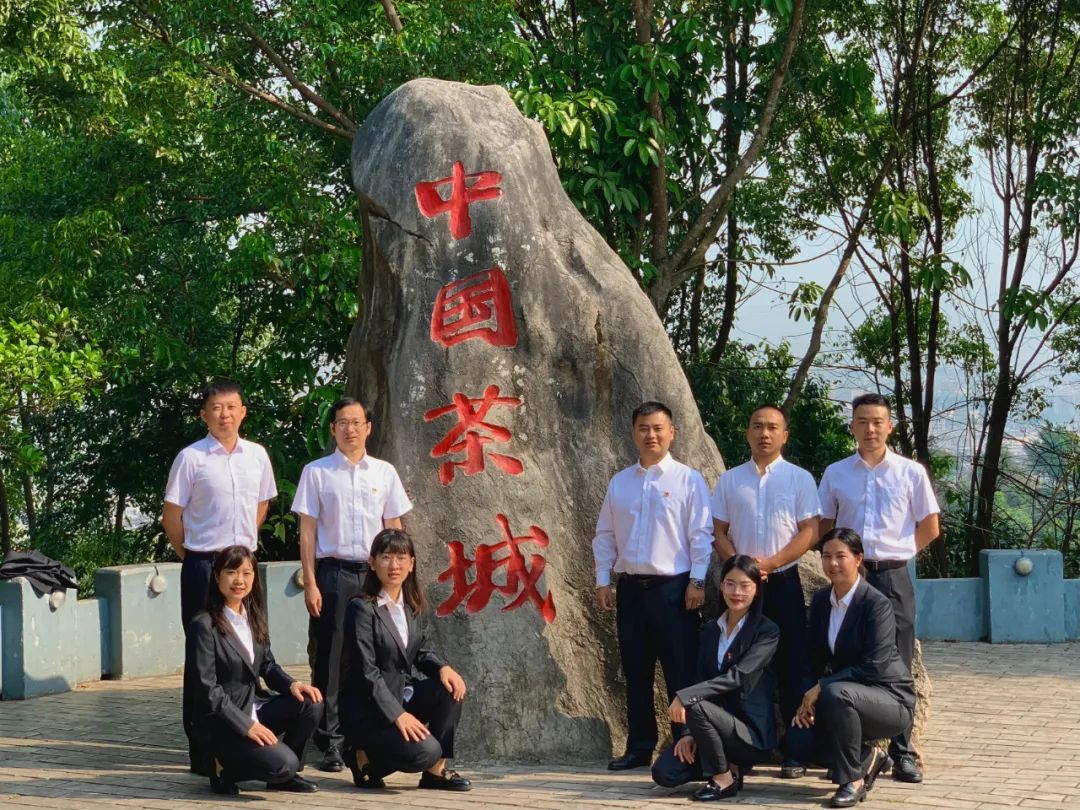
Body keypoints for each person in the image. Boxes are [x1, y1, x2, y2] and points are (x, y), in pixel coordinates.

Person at [818, 393, 940, 783]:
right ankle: (851, 749)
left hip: (892, 576)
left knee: (898, 662)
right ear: (851, 426)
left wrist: (900, 553)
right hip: (850, 576)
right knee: (845, 654)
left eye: (877, 422)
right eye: (862, 421)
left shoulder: (910, 472)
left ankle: (903, 752)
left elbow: (930, 526)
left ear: (890, 426)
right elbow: (824, 526)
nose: (870, 429)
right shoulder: (836, 473)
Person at [291, 396, 413, 772]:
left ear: (368, 428)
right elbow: (307, 532)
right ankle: (329, 739)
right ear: (333, 429)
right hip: (333, 573)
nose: (350, 429)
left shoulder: (384, 473)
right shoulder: (317, 472)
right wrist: (310, 582)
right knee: (330, 656)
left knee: (375, 654)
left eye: (357, 422)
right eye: (342, 423)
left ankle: (369, 733)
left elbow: (394, 529)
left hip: (375, 576)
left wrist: (396, 580)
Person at [164, 380, 277, 774]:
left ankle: (247, 732)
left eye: (231, 406)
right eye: (216, 407)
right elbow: (172, 517)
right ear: (204, 415)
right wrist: (194, 556)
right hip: (203, 564)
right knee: (203, 658)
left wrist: (238, 558)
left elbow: (261, 505)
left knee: (249, 648)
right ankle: (202, 750)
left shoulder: (257, 455)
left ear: (243, 411)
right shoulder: (191, 458)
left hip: (244, 565)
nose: (224, 414)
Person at [592, 401, 712, 771]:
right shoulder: (620, 482)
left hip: (674, 590)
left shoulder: (688, 480)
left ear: (672, 433)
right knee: (636, 671)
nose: (651, 435)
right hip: (630, 589)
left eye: (658, 428)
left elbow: (701, 535)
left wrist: (697, 580)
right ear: (633, 433)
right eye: (643, 428)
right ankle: (639, 747)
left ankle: (686, 746)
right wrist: (602, 580)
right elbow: (605, 535)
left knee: (681, 672)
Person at [710, 404, 819, 778]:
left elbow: (809, 531)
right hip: (741, 590)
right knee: (738, 664)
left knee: (792, 664)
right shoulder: (730, 480)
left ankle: (795, 752)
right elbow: (718, 531)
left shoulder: (799, 479)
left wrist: (769, 564)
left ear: (784, 435)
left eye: (773, 427)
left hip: (783, 582)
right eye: (757, 426)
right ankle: (741, 748)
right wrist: (741, 569)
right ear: (747, 432)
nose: (764, 433)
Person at [787, 528, 916, 808]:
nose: (832, 563)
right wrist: (806, 701)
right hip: (845, 697)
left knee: (836, 694)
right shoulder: (822, 601)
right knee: (797, 742)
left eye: (840, 556)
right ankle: (868, 757)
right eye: (826, 556)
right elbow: (813, 657)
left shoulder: (876, 604)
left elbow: (875, 666)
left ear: (858, 559)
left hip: (889, 699)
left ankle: (853, 780)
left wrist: (821, 687)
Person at [339, 528, 470, 792]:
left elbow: (420, 650)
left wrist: (443, 668)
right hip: (368, 708)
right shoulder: (361, 608)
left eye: (401, 558)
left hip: (401, 694)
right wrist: (398, 714)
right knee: (425, 751)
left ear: (411, 564)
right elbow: (366, 673)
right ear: (372, 563)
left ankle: (435, 773)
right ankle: (361, 755)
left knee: (450, 689)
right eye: (386, 557)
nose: (394, 565)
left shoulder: (411, 605)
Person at [186, 545, 324, 795]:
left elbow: (267, 665)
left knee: (310, 703)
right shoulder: (204, 625)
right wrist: (247, 725)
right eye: (231, 572)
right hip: (223, 722)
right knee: (283, 764)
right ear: (217, 576)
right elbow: (208, 690)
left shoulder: (253, 616)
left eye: (247, 573)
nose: (239, 580)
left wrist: (292, 684)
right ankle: (223, 766)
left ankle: (285, 777)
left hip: (253, 706)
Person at [652, 555, 780, 802]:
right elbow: (700, 679)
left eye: (745, 586)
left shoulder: (767, 631)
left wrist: (685, 697)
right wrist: (689, 733)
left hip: (747, 734)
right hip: (710, 728)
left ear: (756, 589)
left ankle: (723, 778)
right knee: (664, 773)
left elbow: (737, 677)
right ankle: (729, 767)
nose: (737, 592)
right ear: (721, 586)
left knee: (696, 705)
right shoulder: (711, 629)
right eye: (730, 584)